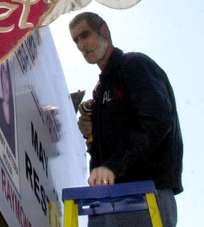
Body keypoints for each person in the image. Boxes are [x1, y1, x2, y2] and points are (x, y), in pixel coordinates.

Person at [70, 12, 183, 226]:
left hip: (144, 195)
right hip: (107, 200)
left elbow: (156, 122)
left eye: (85, 36)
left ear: (104, 31)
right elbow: (103, 157)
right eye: (76, 41)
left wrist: (113, 166)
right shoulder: (100, 89)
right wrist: (90, 136)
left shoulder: (134, 65)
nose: (81, 45)